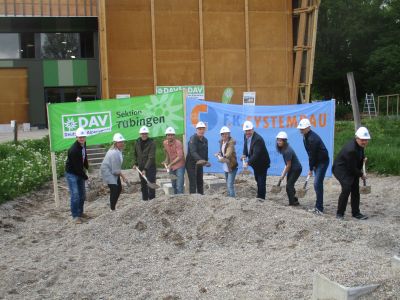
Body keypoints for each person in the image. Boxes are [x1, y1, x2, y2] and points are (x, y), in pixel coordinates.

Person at [332, 127, 371, 220]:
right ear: (357, 138)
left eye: (366, 140)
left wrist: (363, 159)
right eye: (362, 140)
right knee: (346, 188)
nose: (364, 142)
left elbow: (358, 158)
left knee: (355, 190)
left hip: (350, 167)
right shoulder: (351, 150)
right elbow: (352, 168)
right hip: (341, 169)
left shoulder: (359, 145)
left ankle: (356, 213)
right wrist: (361, 175)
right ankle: (339, 214)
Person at [297, 118, 329, 214]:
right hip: (317, 161)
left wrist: (311, 168)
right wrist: (312, 166)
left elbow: (312, 155)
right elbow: (310, 154)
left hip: (322, 162)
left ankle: (319, 208)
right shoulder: (305, 137)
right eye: (300, 128)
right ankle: (318, 207)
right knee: (317, 184)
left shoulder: (312, 139)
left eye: (303, 128)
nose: (301, 130)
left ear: (308, 127)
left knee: (317, 184)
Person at [241, 120, 270, 200]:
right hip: (255, 164)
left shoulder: (258, 140)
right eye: (246, 131)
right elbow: (246, 146)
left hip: (262, 163)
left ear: (253, 129)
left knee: (261, 181)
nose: (247, 132)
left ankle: (261, 199)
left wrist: (247, 163)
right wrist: (244, 154)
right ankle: (259, 195)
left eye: (249, 130)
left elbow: (256, 155)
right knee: (257, 179)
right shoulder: (245, 136)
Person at [65, 127, 89, 224]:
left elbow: (84, 156)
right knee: (75, 195)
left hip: (79, 171)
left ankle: (80, 213)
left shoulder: (83, 145)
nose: (81, 139)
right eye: (80, 137)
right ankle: (75, 216)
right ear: (76, 137)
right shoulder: (73, 150)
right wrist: (86, 177)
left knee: (82, 195)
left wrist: (87, 166)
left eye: (83, 137)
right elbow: (77, 168)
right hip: (72, 173)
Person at [101, 133, 128, 211]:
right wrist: (123, 177)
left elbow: (116, 168)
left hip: (113, 170)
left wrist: (122, 177)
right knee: (115, 189)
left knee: (118, 188)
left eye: (122, 142)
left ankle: (113, 206)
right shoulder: (114, 153)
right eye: (119, 142)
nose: (121, 143)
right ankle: (112, 209)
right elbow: (115, 171)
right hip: (108, 172)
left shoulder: (118, 150)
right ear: (115, 143)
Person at [275, 131, 302, 206]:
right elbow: (287, 164)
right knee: (290, 184)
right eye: (278, 140)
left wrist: (283, 175)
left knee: (289, 186)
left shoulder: (287, 151)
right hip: (292, 168)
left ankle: (292, 203)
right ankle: (295, 199)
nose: (278, 142)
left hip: (296, 169)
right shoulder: (284, 149)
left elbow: (288, 165)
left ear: (284, 141)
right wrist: (283, 173)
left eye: (280, 141)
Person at [185, 121, 210, 194]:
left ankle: (201, 196)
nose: (201, 131)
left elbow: (205, 152)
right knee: (193, 182)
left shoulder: (205, 140)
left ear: (205, 130)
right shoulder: (193, 139)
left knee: (200, 181)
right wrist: (202, 160)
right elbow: (193, 152)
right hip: (191, 164)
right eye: (199, 129)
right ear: (196, 130)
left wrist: (205, 161)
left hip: (200, 163)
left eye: (203, 129)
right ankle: (193, 199)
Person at [133, 126, 156, 200]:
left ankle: (152, 200)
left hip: (150, 167)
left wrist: (145, 169)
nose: (144, 135)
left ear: (147, 134)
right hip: (141, 167)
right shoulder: (137, 142)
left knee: (151, 183)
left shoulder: (152, 143)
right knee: (143, 184)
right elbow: (135, 154)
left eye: (145, 133)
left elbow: (151, 157)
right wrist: (135, 163)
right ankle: (145, 200)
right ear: (140, 134)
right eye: (142, 133)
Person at [215, 126, 238, 197]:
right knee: (228, 184)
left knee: (230, 185)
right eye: (223, 134)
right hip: (226, 166)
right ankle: (228, 198)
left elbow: (229, 152)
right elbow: (223, 150)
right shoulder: (222, 142)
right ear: (221, 135)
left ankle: (232, 200)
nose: (224, 135)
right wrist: (219, 153)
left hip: (231, 166)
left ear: (229, 134)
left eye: (226, 134)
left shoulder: (231, 143)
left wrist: (224, 157)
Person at [162, 127, 185, 194]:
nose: (170, 137)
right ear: (166, 136)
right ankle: (176, 200)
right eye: (168, 135)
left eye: (172, 135)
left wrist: (170, 164)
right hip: (171, 166)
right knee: (173, 184)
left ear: (174, 135)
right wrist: (166, 160)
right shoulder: (165, 143)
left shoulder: (178, 143)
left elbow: (180, 156)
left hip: (179, 166)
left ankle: (181, 199)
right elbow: (166, 151)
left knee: (179, 185)